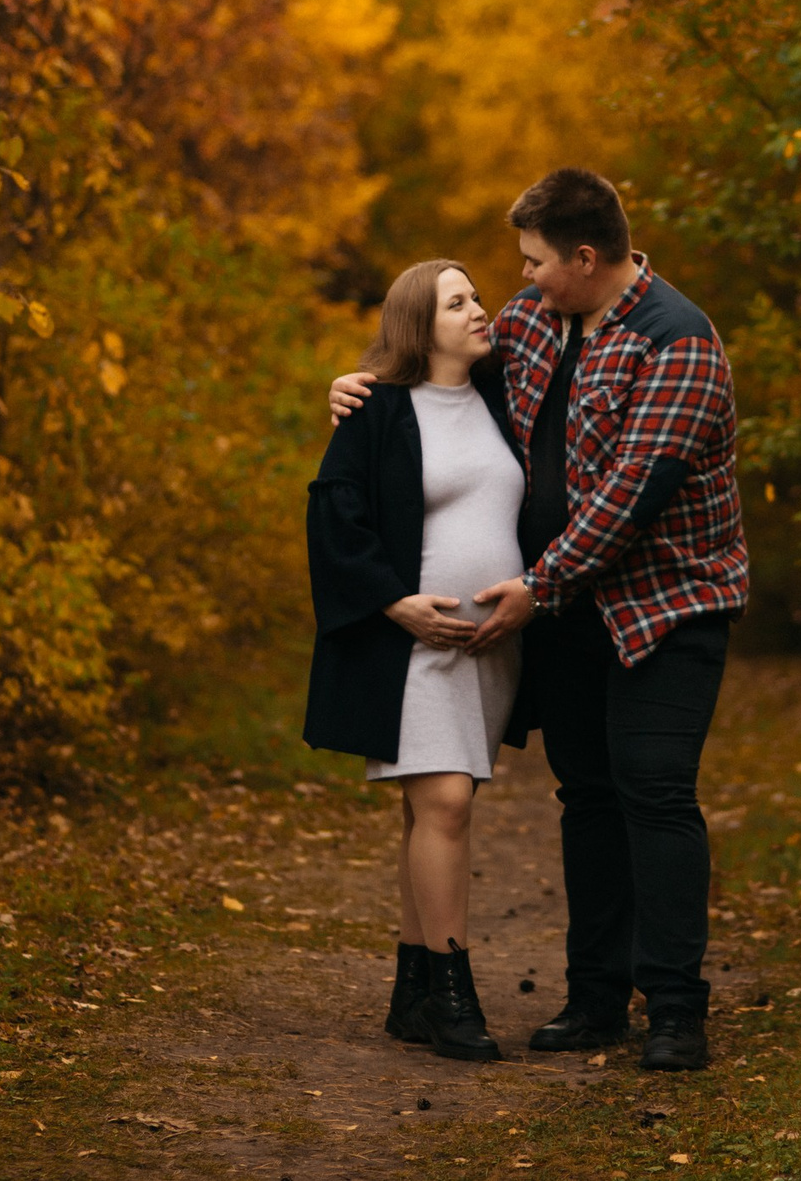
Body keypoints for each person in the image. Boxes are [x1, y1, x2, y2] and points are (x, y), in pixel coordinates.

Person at [330, 169, 747, 1072]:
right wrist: (361, 389)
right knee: (587, 795)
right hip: (569, 615)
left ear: (584, 258)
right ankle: (596, 999)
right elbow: (434, 375)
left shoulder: (679, 341)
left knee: (654, 791)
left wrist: (537, 583)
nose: (518, 279)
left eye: (532, 262)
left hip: (668, 604)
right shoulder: (531, 324)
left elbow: (630, 495)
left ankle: (675, 1008)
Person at [304, 258, 530, 1062]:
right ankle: (453, 996)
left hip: (491, 649)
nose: (478, 309)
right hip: (413, 650)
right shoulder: (377, 410)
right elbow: (335, 519)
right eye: (456, 302)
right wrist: (393, 603)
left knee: (429, 814)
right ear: (417, 325)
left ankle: (412, 993)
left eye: (476, 297)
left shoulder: (505, 398)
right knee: (446, 805)